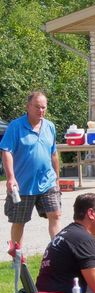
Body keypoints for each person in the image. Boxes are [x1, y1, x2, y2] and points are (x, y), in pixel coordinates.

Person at [2, 90, 61, 250]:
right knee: (19, 221)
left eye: (43, 107)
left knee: (55, 215)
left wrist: (57, 178)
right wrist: (11, 178)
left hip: (47, 182)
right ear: (28, 106)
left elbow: (53, 154)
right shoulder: (16, 126)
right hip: (23, 185)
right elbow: (6, 151)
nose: (41, 110)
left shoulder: (49, 126)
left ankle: (58, 254)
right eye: (37, 107)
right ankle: (17, 256)